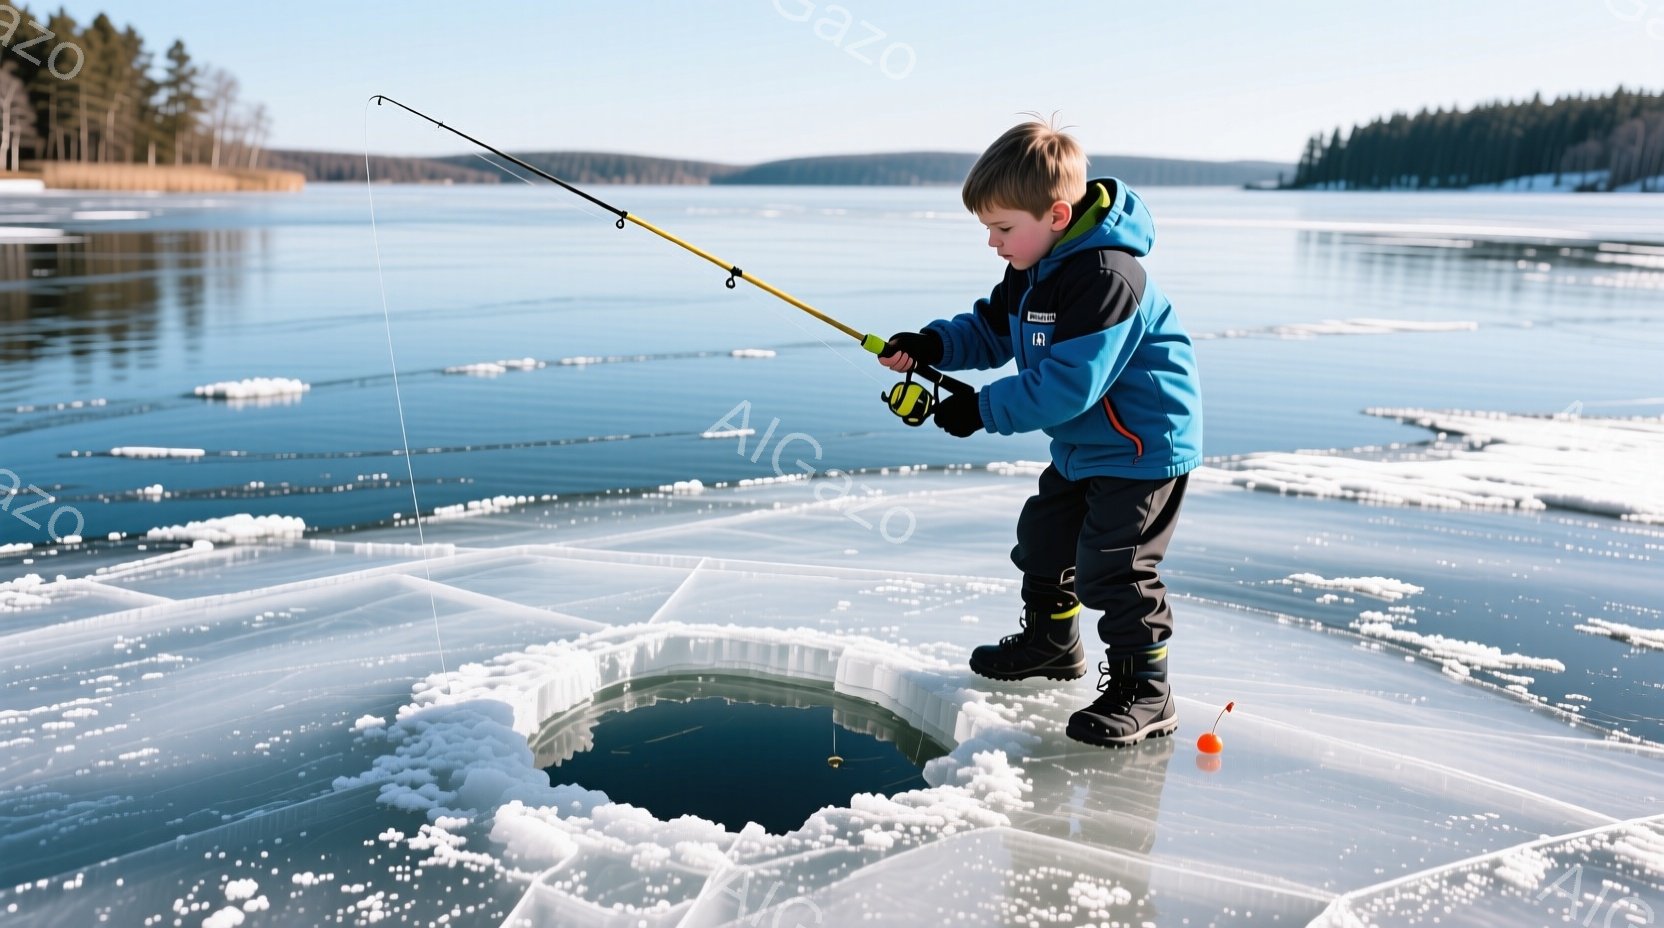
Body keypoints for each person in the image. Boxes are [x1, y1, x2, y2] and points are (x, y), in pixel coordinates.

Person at [878, 119, 1202, 748]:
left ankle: (1147, 690)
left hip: (1142, 448)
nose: (994, 244)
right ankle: (1053, 644)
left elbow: (1067, 386)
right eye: (988, 230)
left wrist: (982, 410)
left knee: (1117, 567)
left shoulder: (1108, 278)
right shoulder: (1033, 269)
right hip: (1086, 446)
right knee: (1044, 540)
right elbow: (994, 330)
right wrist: (932, 344)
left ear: (1056, 214)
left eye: (1003, 229)